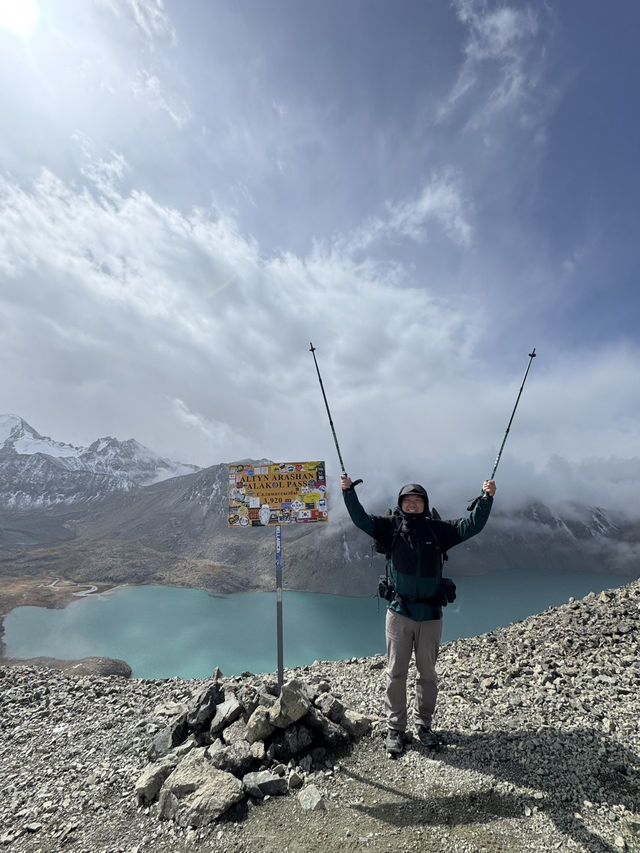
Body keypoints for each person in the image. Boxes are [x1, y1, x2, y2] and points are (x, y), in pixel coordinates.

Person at [341, 474, 496, 755]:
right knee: (395, 673)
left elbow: (472, 526)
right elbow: (361, 520)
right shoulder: (390, 528)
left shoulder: (438, 530)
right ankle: (395, 729)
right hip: (399, 613)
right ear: (400, 504)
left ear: (425, 504)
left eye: (418, 500)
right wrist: (349, 493)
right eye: (407, 501)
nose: (412, 505)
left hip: (430, 615)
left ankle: (424, 725)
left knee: (427, 675)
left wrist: (486, 499)